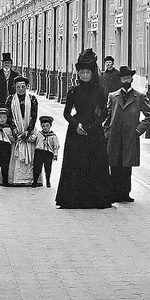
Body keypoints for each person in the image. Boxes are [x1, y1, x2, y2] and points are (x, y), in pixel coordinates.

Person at [55, 49, 113, 209]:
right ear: (78, 73)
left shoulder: (99, 91)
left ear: (92, 73)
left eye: (87, 72)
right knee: (76, 164)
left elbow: (105, 113)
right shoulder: (73, 91)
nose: (85, 75)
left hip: (94, 131)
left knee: (94, 163)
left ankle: (95, 199)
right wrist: (76, 125)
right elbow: (66, 113)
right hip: (76, 131)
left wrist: (92, 126)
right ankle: (73, 199)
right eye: (82, 72)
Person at [103, 66, 150, 203]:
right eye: (123, 78)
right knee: (114, 165)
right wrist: (106, 132)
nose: (126, 80)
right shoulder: (113, 96)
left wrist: (138, 130)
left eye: (128, 77)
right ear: (120, 80)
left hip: (130, 137)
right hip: (114, 136)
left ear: (131, 79)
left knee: (127, 166)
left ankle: (125, 193)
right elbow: (107, 116)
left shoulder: (139, 97)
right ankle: (114, 193)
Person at [5, 76, 39, 186]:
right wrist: (15, 131)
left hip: (28, 129)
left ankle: (29, 179)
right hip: (16, 129)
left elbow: (34, 117)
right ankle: (15, 179)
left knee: (30, 152)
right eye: (18, 87)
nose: (21, 89)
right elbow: (8, 116)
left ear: (27, 87)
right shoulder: (10, 99)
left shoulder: (32, 99)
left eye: (23, 86)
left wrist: (28, 131)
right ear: (14, 87)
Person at [33, 116, 60, 188]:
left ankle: (48, 181)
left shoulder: (53, 136)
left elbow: (56, 146)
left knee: (48, 168)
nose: (45, 128)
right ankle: (35, 181)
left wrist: (55, 154)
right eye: (43, 126)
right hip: (39, 152)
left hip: (48, 153)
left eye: (47, 126)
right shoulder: (38, 134)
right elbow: (33, 139)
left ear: (50, 126)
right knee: (37, 167)